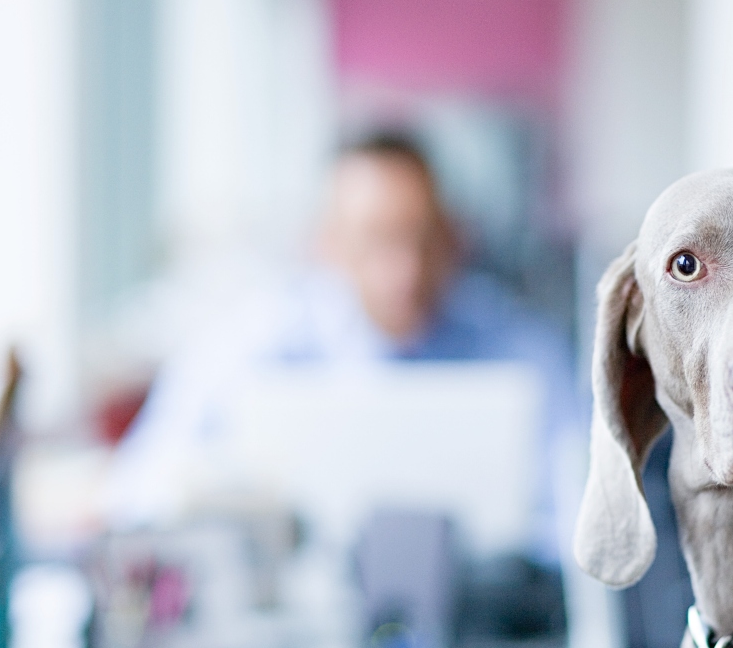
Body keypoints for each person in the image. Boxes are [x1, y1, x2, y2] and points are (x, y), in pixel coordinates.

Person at [105, 132, 582, 559]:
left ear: (453, 237)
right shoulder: (253, 345)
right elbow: (140, 488)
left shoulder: (520, 347)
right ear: (326, 243)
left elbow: (582, 512)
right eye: (376, 240)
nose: (406, 271)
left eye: (423, 239)